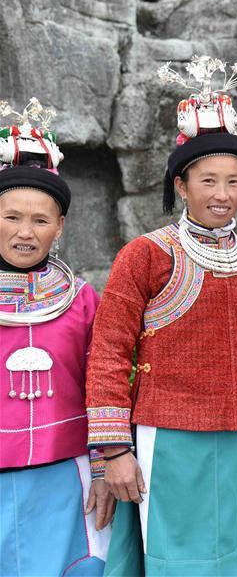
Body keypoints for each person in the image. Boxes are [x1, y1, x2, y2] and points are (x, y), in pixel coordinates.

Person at [85, 57, 237, 575]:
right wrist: (113, 451)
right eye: (208, 181)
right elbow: (107, 353)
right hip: (167, 439)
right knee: (178, 562)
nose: (222, 195)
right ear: (182, 185)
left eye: (235, 182)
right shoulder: (146, 255)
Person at [0, 97, 112, 575]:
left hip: (69, 476)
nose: (26, 232)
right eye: (11, 217)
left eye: (41, 220)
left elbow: (106, 384)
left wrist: (105, 470)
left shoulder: (83, 299)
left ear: (60, 226)